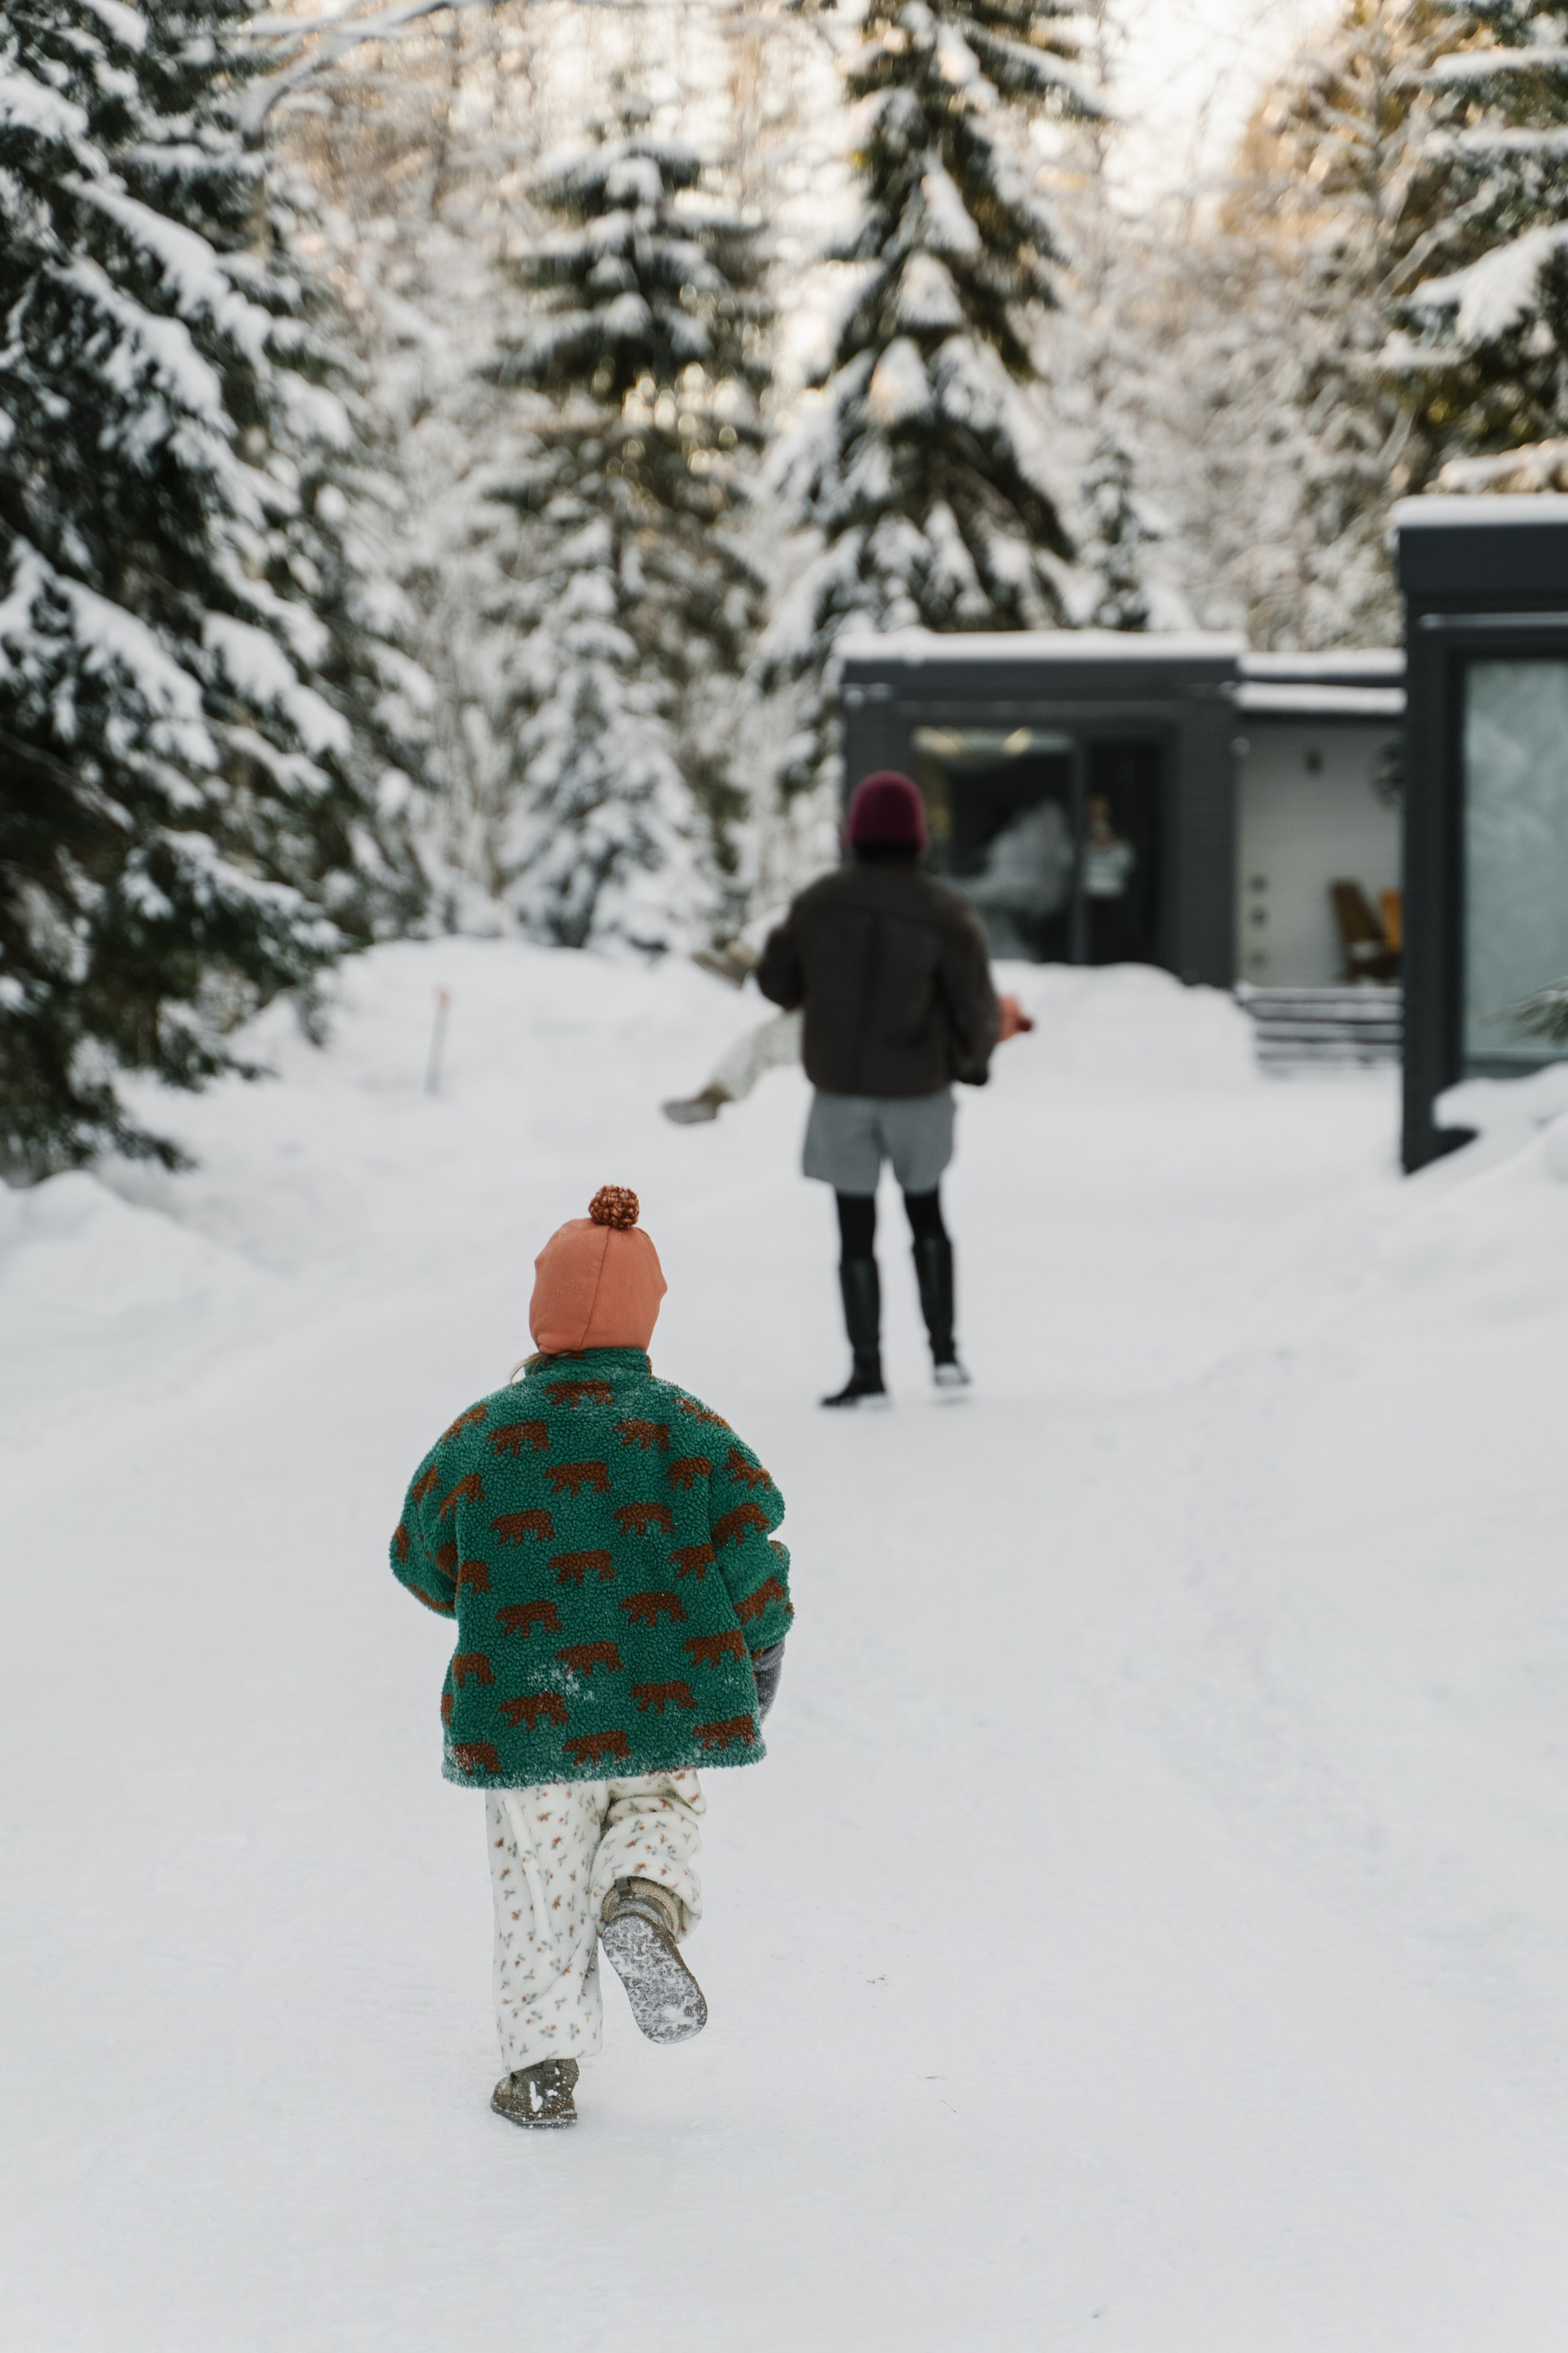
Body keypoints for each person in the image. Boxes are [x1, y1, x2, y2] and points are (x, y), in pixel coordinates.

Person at [388, 1184, 793, 2131]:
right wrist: (761, 1644)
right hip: (663, 1700)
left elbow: (418, 1553)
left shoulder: (483, 1434)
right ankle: (644, 1902)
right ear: (645, 1315)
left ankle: (542, 2070)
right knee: (658, 1807)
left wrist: (484, 1593)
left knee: (537, 1886)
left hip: (524, 1706)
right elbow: (751, 1543)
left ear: (542, 1310)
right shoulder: (685, 1426)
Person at [756, 769, 1022, 1408]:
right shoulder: (945, 911)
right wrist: (972, 1062)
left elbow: (779, 984)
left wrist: (777, 950)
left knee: (854, 1229)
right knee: (927, 1214)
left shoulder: (817, 903)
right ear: (916, 837)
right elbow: (975, 1007)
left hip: (841, 1093)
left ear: (855, 835)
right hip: (919, 1091)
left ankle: (868, 1373)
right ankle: (945, 1358)